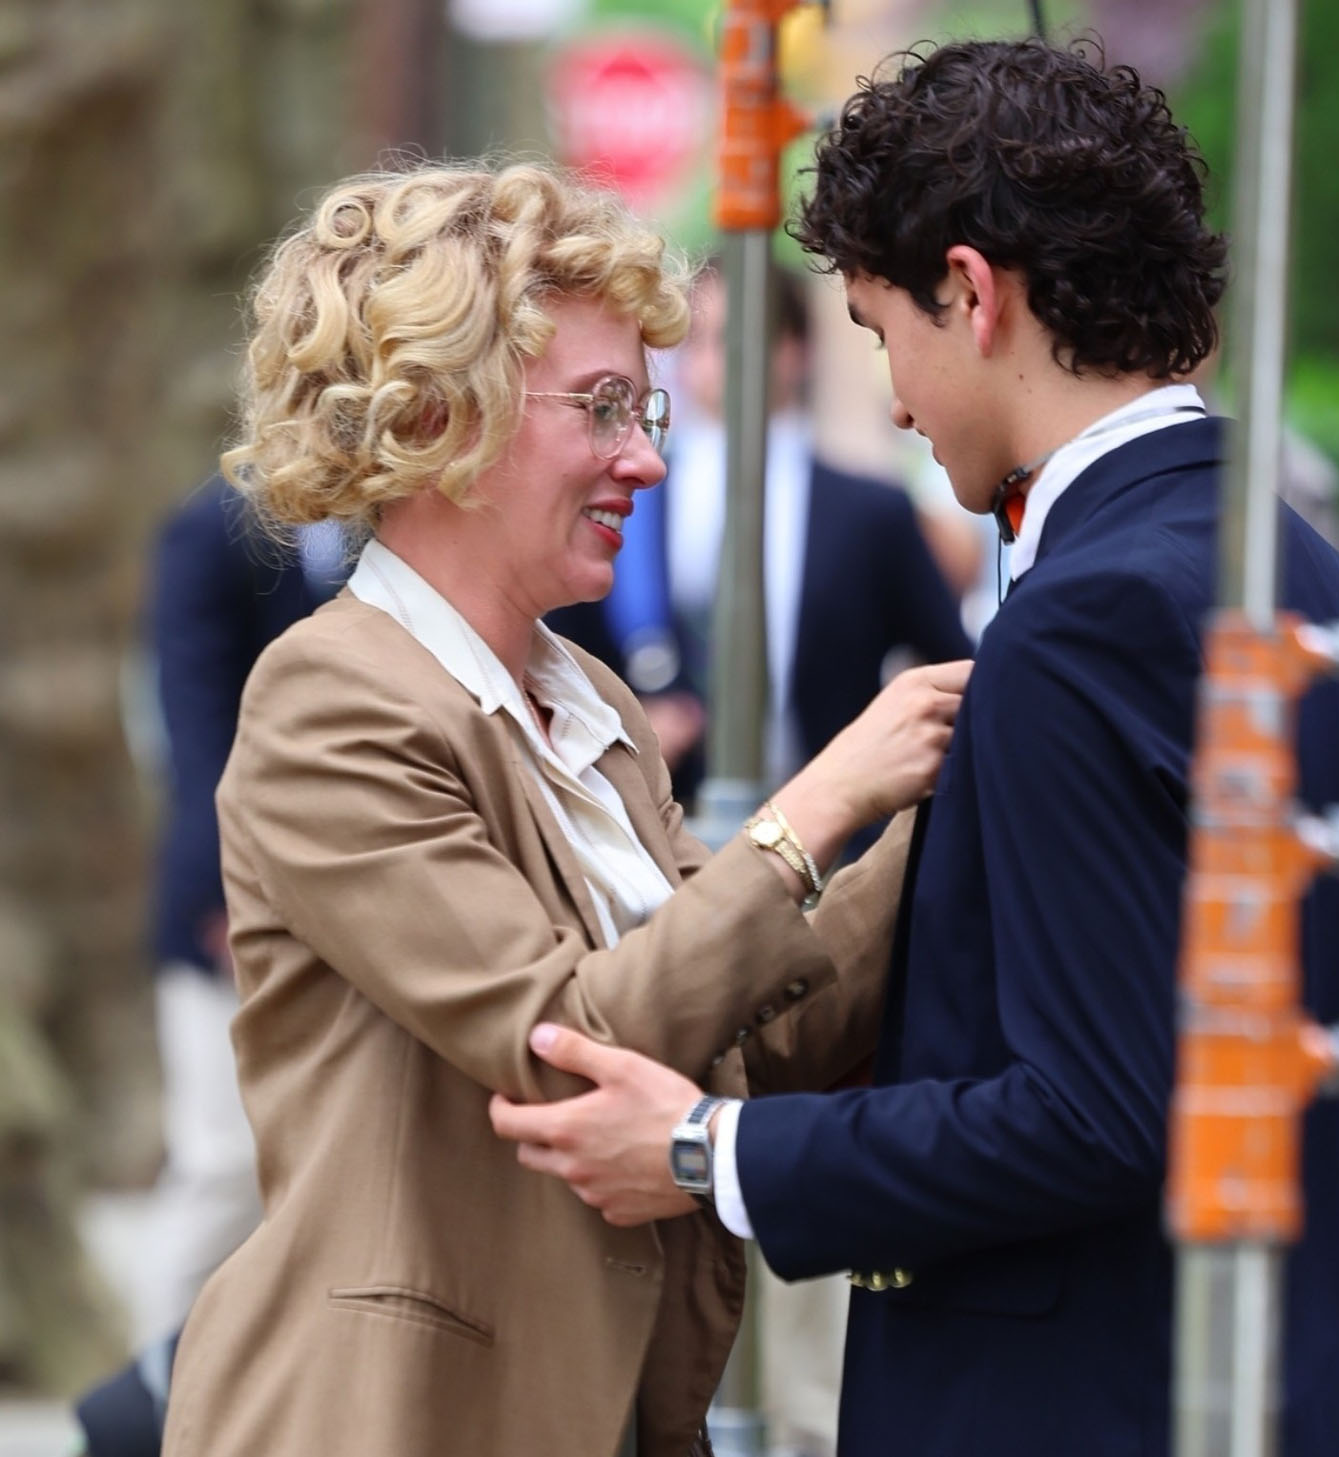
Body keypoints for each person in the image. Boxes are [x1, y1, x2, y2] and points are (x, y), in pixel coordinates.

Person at [488, 39, 1339, 1457]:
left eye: (880, 332)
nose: (899, 402)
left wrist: (707, 1149)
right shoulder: (1295, 565)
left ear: (973, 294)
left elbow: (1096, 1111)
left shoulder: (1087, 613)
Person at [159, 161, 970, 1457]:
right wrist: (825, 799)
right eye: (601, 408)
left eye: (643, 407)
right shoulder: (329, 698)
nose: (645, 455)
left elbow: (750, 1034)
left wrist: (964, 784)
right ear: (438, 416)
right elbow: (570, 1043)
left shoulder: (583, 697)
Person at [550, 260, 972, 815]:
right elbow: (564, 652)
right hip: (663, 821)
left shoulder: (869, 511)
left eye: (733, 338)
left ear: (794, 349)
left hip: (844, 830)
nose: (710, 361)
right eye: (693, 341)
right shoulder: (631, 494)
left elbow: (953, 667)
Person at [144, 475, 345, 1345]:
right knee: (223, 1164)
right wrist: (235, 889)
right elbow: (195, 735)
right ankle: (150, 1393)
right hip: (225, 911)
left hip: (344, 904)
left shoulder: (388, 527)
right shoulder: (212, 530)